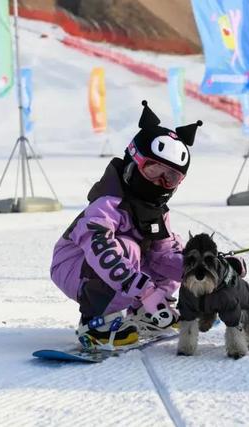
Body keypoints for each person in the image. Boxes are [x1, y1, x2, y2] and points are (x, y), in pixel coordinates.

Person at [50, 100, 203, 350]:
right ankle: (96, 322)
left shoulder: (157, 211)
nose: (160, 182)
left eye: (171, 177)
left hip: (114, 269)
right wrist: (144, 289)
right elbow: (101, 249)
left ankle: (145, 313)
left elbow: (166, 255)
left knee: (166, 251)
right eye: (154, 170)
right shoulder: (107, 203)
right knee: (129, 248)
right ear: (135, 161)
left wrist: (204, 268)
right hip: (75, 266)